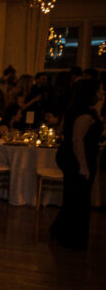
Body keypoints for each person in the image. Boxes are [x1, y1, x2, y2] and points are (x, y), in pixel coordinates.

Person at [50, 78, 104, 250]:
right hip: (78, 158)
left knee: (73, 196)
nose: (103, 93)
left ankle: (61, 231)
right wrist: (83, 165)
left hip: (72, 157)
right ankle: (72, 237)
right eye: (100, 90)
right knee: (79, 197)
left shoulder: (76, 110)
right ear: (92, 92)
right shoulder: (85, 114)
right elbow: (77, 140)